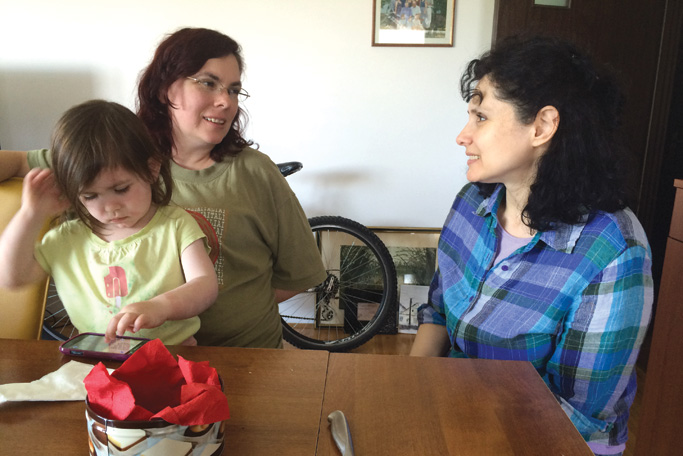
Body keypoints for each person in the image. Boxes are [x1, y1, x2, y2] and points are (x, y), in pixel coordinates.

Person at [0, 27, 327, 348]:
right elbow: (17, 164)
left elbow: (301, 275)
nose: (226, 102)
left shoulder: (256, 172)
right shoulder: (111, 160)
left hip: (244, 358)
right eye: (209, 83)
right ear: (165, 89)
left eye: (233, 90)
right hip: (122, 359)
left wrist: (228, 307)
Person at [409, 35, 653, 456]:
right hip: (453, 415)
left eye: (481, 117)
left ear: (542, 126)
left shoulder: (613, 252)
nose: (462, 136)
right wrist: (406, 397)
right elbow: (439, 310)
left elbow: (576, 418)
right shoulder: (473, 202)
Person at [0, 100, 218, 345]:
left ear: (152, 170)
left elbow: (205, 286)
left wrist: (161, 307)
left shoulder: (176, 224)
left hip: (173, 354)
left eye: (121, 189)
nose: (110, 207)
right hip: (95, 360)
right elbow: (11, 277)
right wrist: (31, 214)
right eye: (90, 196)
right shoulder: (66, 239)